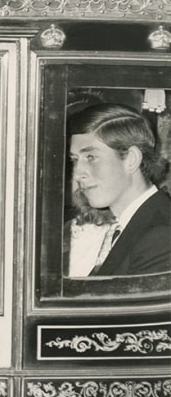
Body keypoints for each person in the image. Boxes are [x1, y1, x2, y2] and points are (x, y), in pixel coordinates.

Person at [67, 103, 171, 276]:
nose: (77, 174)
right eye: (75, 160)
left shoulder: (161, 236)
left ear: (131, 159)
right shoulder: (119, 224)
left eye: (91, 157)